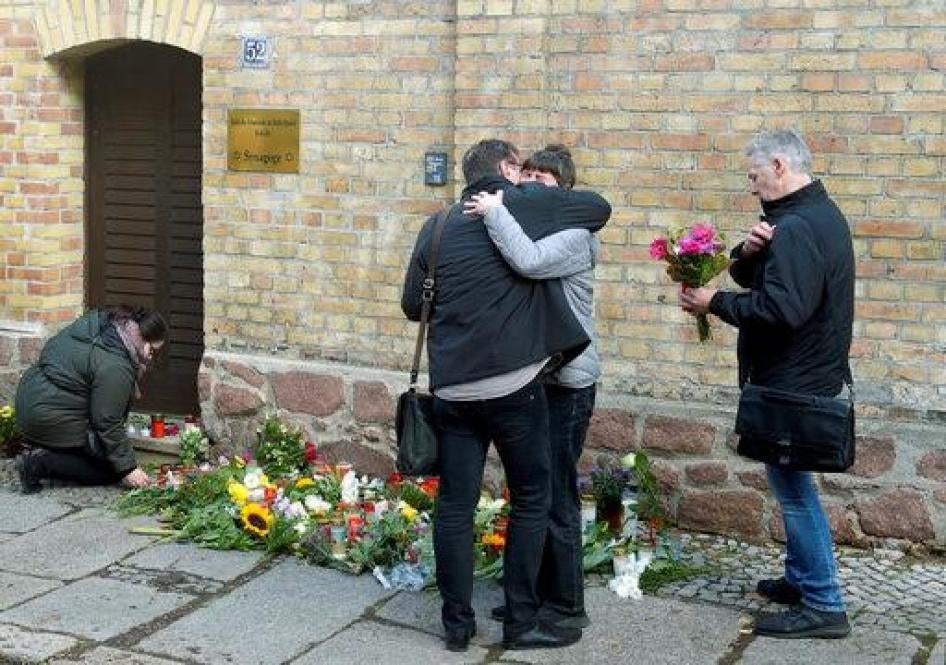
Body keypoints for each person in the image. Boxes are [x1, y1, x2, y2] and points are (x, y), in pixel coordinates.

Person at [401, 139, 610, 652]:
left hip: (452, 389)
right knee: (533, 498)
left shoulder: (437, 226)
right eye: (521, 169)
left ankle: (456, 624)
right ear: (508, 169)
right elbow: (598, 208)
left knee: (454, 505)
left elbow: (412, 305)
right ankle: (521, 622)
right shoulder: (524, 203)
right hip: (515, 388)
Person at [680, 129, 854, 639]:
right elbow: (771, 281)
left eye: (755, 177)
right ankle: (801, 579)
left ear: (779, 166)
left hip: (794, 380)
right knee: (791, 485)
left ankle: (824, 602)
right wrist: (751, 253)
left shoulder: (798, 226)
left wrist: (713, 303)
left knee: (795, 490)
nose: (752, 187)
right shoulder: (813, 215)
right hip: (804, 375)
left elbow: (781, 310)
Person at [464, 145, 598, 631]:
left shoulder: (574, 235)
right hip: (540, 377)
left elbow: (529, 262)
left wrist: (497, 212)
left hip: (570, 381)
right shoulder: (540, 221)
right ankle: (532, 594)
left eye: (546, 179)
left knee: (558, 491)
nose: (534, 185)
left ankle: (565, 604)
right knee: (536, 491)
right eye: (531, 176)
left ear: (564, 189)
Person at [13, 305, 167, 493]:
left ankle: (45, 449)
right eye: (153, 350)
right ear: (142, 339)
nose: (152, 357)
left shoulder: (104, 327)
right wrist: (128, 469)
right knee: (110, 471)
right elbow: (106, 420)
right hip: (45, 413)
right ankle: (38, 463)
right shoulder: (116, 365)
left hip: (32, 398)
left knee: (103, 452)